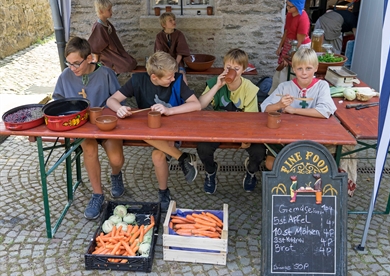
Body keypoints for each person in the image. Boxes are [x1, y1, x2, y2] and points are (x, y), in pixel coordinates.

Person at [106, 51, 201, 211]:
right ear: (154, 77)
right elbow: (111, 100)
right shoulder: (137, 80)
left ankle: (163, 191)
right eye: (168, 77)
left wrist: (169, 111)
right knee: (140, 132)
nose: (173, 79)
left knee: (157, 156)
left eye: (173, 75)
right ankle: (182, 157)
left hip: (170, 129)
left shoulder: (176, 80)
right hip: (147, 131)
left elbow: (196, 105)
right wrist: (119, 109)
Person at [53, 36, 125, 220]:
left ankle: (116, 174)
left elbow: (119, 99)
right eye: (68, 63)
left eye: (77, 63)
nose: (72, 68)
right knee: (89, 149)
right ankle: (97, 194)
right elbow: (58, 101)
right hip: (82, 127)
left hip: (105, 125)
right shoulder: (65, 76)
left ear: (89, 58)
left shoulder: (106, 74)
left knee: (116, 158)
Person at [196, 48, 266, 194]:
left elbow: (252, 118)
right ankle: (210, 171)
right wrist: (217, 86)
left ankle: (251, 171)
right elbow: (200, 105)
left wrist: (246, 137)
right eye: (228, 67)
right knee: (203, 147)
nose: (231, 71)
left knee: (259, 151)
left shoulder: (249, 88)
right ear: (223, 67)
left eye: (236, 68)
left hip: (242, 129)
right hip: (218, 128)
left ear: (244, 69)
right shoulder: (215, 82)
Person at [261, 48, 336, 169]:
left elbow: (325, 111)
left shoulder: (322, 86)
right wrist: (279, 105)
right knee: (271, 164)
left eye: (308, 68)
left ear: (316, 68)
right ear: (294, 69)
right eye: (300, 68)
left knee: (312, 165)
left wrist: (294, 110)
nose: (304, 73)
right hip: (286, 136)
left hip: (313, 137)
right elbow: (265, 108)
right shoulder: (285, 87)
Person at [270, 0, 311, 94]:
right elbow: (287, 31)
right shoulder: (289, 15)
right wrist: (280, 46)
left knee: (291, 72)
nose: (287, 8)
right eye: (286, 5)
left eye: (290, 6)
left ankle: (287, 96)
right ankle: (276, 95)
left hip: (300, 47)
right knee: (281, 72)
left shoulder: (303, 19)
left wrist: (289, 58)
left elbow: (299, 42)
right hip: (290, 43)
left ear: (297, 6)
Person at [88, 0, 137, 74]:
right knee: (128, 65)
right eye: (109, 10)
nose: (111, 11)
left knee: (132, 62)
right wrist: (96, 59)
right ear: (101, 11)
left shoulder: (107, 23)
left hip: (115, 52)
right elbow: (96, 46)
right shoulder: (99, 26)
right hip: (108, 55)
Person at [154, 12, 190, 85]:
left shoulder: (179, 34)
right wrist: (167, 66)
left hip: (177, 63)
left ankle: (185, 95)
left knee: (182, 76)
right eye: (170, 20)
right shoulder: (159, 36)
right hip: (164, 64)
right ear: (163, 25)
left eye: (174, 19)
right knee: (163, 79)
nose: (174, 22)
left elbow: (181, 52)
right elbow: (159, 53)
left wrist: (175, 65)